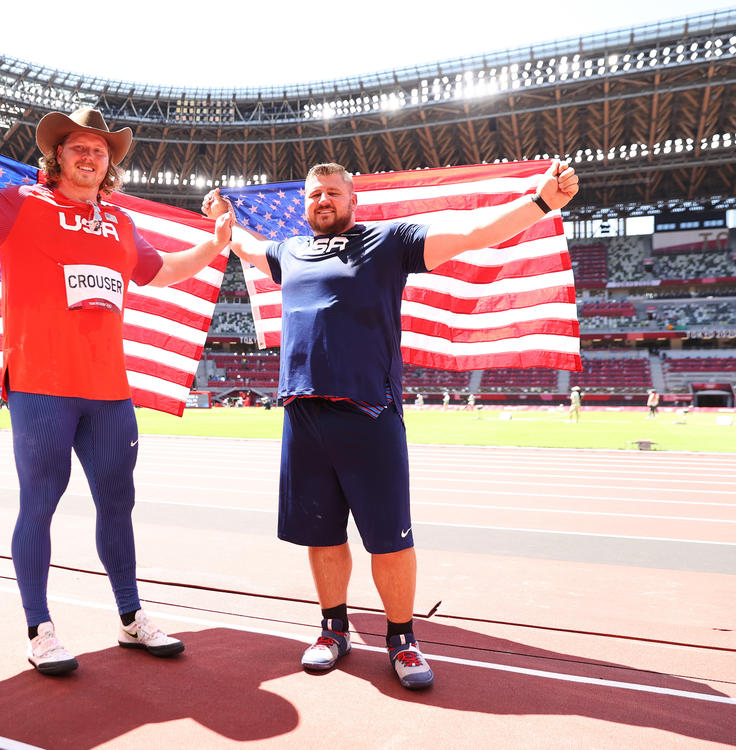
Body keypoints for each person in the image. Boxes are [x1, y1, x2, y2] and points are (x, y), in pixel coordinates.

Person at [204, 158, 578, 690]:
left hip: (369, 412)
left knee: (389, 540)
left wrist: (541, 203)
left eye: (333, 192)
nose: (322, 200)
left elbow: (474, 233)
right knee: (322, 532)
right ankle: (333, 629)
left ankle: (402, 638)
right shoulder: (288, 251)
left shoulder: (388, 242)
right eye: (314, 194)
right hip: (303, 413)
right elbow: (242, 243)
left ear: (353, 201)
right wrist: (222, 215)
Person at [0, 96, 233, 676]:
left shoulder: (121, 224)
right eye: (78, 147)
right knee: (40, 506)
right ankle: (40, 628)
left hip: (109, 394)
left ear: (110, 164)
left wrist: (213, 244)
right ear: (56, 156)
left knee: (118, 505)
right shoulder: (22, 204)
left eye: (99, 151)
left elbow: (162, 271)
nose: (90, 156)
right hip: (41, 387)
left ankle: (131, 618)